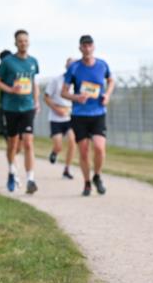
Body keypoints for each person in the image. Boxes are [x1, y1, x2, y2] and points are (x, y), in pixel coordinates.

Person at [62, 37, 114, 196]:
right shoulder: (74, 68)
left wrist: (108, 95)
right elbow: (63, 92)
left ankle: (97, 176)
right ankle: (87, 183)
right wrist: (77, 97)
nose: (87, 48)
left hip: (98, 113)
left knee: (99, 147)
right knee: (83, 151)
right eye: (84, 46)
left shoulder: (102, 65)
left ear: (93, 47)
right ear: (80, 48)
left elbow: (111, 81)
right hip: (79, 115)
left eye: (89, 45)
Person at [0, 30, 40, 194]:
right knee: (13, 144)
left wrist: (36, 101)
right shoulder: (8, 62)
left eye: (26, 41)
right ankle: (12, 171)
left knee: (28, 142)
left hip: (27, 107)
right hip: (11, 108)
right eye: (20, 41)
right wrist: (11, 89)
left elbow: (34, 83)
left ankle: (30, 179)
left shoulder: (33, 62)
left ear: (29, 42)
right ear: (15, 43)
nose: (23, 43)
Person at [44, 57, 77, 179]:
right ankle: (55, 152)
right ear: (66, 66)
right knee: (58, 145)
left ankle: (67, 169)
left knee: (73, 142)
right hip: (56, 117)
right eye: (70, 65)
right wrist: (56, 109)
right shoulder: (56, 80)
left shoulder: (78, 82)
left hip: (69, 116)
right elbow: (46, 97)